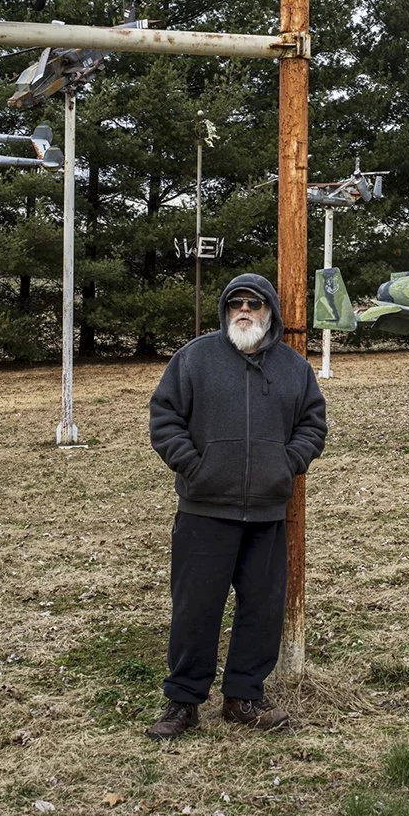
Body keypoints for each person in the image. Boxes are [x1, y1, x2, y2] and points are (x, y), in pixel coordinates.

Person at [145, 272, 327, 739]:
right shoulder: (194, 359)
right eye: (235, 304)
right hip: (204, 510)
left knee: (262, 610)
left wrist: (285, 465)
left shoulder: (294, 368)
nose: (244, 311)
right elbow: (165, 419)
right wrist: (194, 467)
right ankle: (183, 702)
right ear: (226, 311)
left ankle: (244, 697)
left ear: (270, 312)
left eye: (255, 304)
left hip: (267, 513)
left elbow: (313, 425)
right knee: (195, 608)